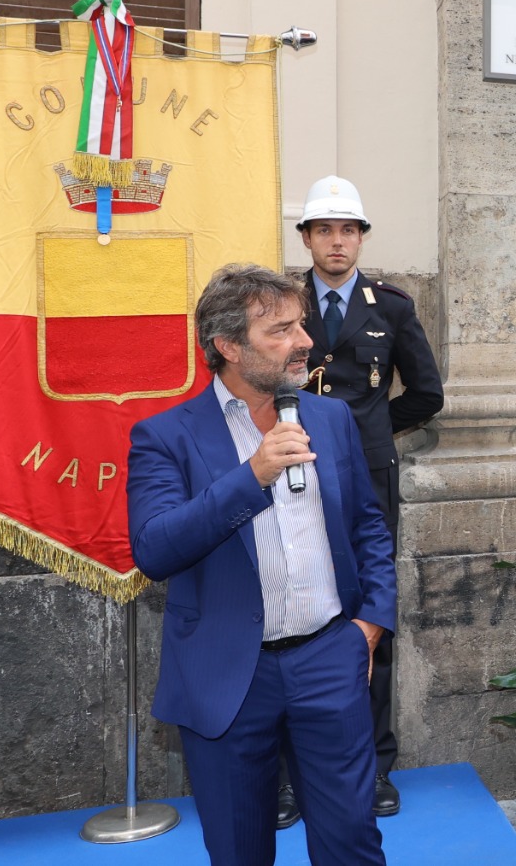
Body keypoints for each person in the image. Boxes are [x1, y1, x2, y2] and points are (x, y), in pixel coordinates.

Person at [127, 264, 396, 866]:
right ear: (228, 347)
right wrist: (252, 477)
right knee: (240, 849)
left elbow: (368, 526)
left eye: (300, 325)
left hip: (330, 657)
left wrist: (369, 626)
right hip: (227, 677)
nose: (304, 341)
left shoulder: (330, 417)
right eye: (281, 331)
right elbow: (154, 548)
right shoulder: (166, 436)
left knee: (353, 842)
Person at [287, 175, 443, 823]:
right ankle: (292, 775)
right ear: (307, 238)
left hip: (368, 477)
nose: (337, 242)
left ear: (361, 237)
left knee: (369, 614)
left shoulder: (392, 307)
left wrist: (368, 429)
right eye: (324, 229)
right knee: (292, 612)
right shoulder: (280, 302)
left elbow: (427, 394)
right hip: (291, 472)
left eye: (347, 229)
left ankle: (377, 767)